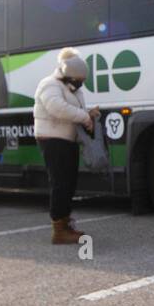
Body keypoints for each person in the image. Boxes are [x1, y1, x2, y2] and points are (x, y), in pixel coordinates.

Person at [34, 48, 99, 244]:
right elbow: (57, 108)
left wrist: (88, 113)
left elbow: (73, 110)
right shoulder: (49, 85)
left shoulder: (71, 88)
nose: (80, 84)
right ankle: (59, 230)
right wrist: (84, 116)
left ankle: (65, 222)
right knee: (60, 183)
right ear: (66, 73)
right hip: (52, 139)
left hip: (67, 140)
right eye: (77, 79)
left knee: (69, 183)